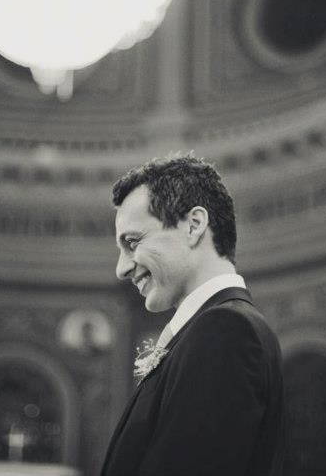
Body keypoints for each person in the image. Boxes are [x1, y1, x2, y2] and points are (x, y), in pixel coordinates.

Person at [102, 156, 285, 476]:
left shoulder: (226, 331)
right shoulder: (213, 329)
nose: (121, 268)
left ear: (193, 225)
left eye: (132, 242)